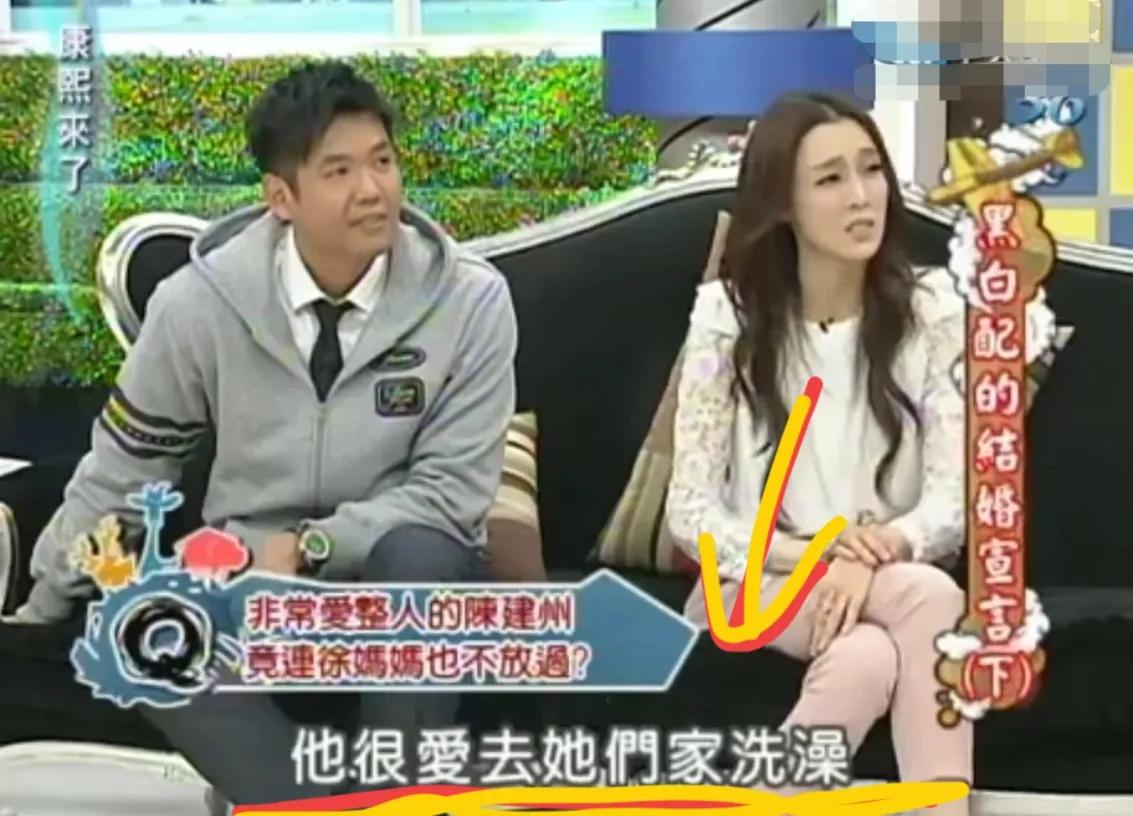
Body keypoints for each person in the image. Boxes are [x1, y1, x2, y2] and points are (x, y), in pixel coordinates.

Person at [8, 60, 517, 808]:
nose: (373, 189)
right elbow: (126, 468)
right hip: (246, 585)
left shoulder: (469, 303)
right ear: (281, 197)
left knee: (420, 556)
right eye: (338, 171)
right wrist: (39, 609)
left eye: (382, 161)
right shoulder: (199, 306)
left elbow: (450, 498)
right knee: (133, 618)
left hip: (399, 579)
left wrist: (311, 546)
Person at [664, 92, 971, 814]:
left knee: (866, 657)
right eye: (830, 179)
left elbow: (953, 497)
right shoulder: (728, 318)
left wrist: (878, 549)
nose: (862, 196)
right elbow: (690, 513)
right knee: (929, 596)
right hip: (748, 584)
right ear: (783, 205)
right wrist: (824, 556)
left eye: (871, 169)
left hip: (884, 571)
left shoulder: (933, 309)